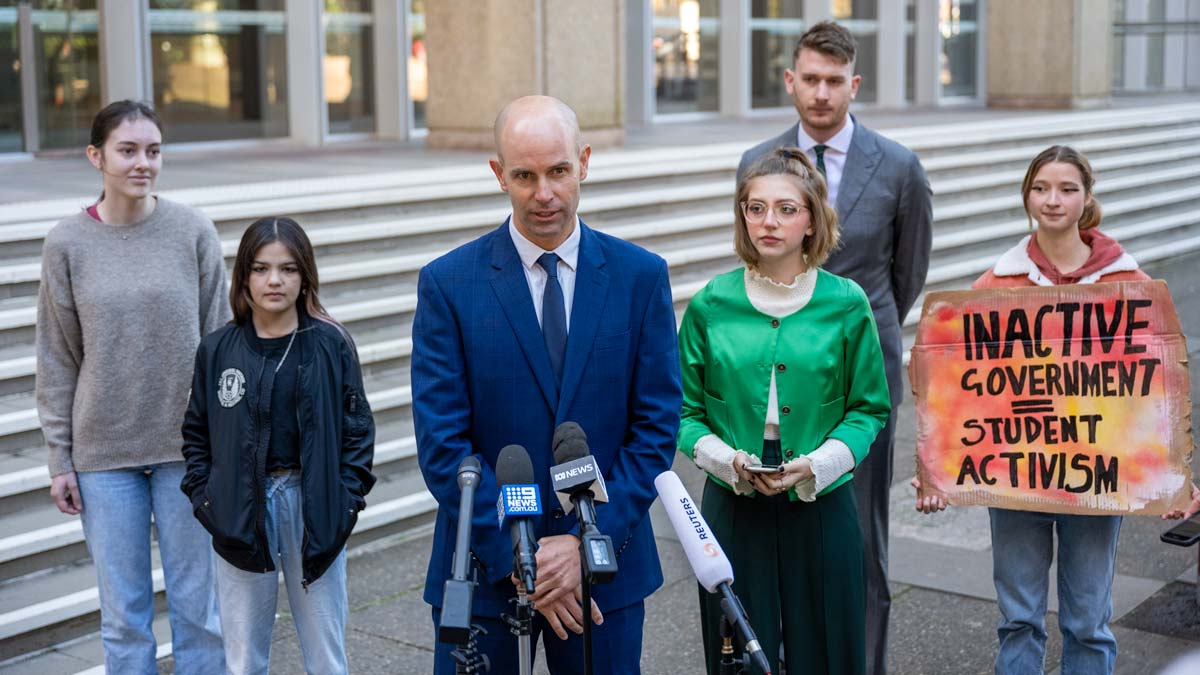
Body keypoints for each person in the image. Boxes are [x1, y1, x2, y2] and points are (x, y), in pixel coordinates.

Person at [412, 95, 682, 675]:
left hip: (606, 575)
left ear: (583, 162)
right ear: (497, 174)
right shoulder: (448, 285)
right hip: (481, 573)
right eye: (525, 175)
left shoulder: (640, 277)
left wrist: (585, 547)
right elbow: (443, 447)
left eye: (558, 171)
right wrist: (522, 555)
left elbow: (655, 431)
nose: (545, 194)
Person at [914, 145, 1158, 674]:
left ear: (1087, 198)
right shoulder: (995, 285)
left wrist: (1171, 476)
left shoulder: (1129, 284)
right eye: (1042, 188)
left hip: (1096, 479)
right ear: (1027, 195)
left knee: (1089, 621)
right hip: (1017, 478)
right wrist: (939, 471)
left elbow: (1155, 392)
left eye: (1068, 189)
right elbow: (959, 390)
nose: (1053, 200)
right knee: (1019, 618)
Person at [738, 21, 933, 672]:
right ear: (790, 82)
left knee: (858, 535)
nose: (821, 94)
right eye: (809, 79)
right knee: (780, 526)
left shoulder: (900, 166)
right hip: (773, 375)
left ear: (854, 85)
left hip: (860, 374)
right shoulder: (757, 164)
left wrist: (855, 330)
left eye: (834, 81)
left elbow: (907, 274)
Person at [679, 147, 890, 675]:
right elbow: (683, 414)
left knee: (828, 649)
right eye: (755, 208)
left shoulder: (846, 302)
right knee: (736, 654)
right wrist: (729, 462)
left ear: (812, 219)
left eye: (786, 209)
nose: (768, 221)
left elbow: (869, 410)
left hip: (821, 505)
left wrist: (819, 464)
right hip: (734, 503)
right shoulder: (710, 303)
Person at [35, 100, 227, 674]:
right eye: (127, 150)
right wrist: (58, 458)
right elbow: (57, 356)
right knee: (124, 619)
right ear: (96, 156)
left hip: (186, 452)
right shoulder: (66, 243)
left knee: (200, 614)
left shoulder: (192, 231)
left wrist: (229, 441)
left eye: (153, 150)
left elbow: (220, 344)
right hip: (104, 456)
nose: (143, 162)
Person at [180, 217, 376, 674]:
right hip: (240, 510)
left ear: (304, 275)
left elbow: (358, 430)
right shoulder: (218, 349)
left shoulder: (331, 344)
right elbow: (196, 433)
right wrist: (208, 502)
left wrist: (344, 503)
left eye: (287, 269)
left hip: (313, 506)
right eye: (261, 268)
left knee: (326, 655)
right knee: (244, 656)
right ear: (243, 276)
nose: (274, 280)